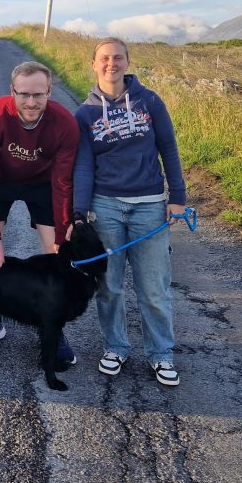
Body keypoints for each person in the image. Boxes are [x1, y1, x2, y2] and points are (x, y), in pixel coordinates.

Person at [72, 37, 186, 386]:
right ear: (94, 64)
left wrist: (177, 195)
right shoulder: (85, 113)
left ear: (127, 62)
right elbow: (83, 165)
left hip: (149, 205)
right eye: (104, 58)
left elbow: (168, 146)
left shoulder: (149, 101)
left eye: (118, 57)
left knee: (153, 288)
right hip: (105, 207)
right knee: (109, 286)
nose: (111, 63)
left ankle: (161, 354)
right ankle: (115, 347)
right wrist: (79, 212)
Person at [0, 61, 80, 365]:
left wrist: (62, 234)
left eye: (38, 95)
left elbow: (62, 182)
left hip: (43, 183)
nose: (31, 102)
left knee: (57, 253)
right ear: (12, 92)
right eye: (23, 94)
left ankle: (53, 329)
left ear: (49, 92)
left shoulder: (64, 124)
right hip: (1, 182)